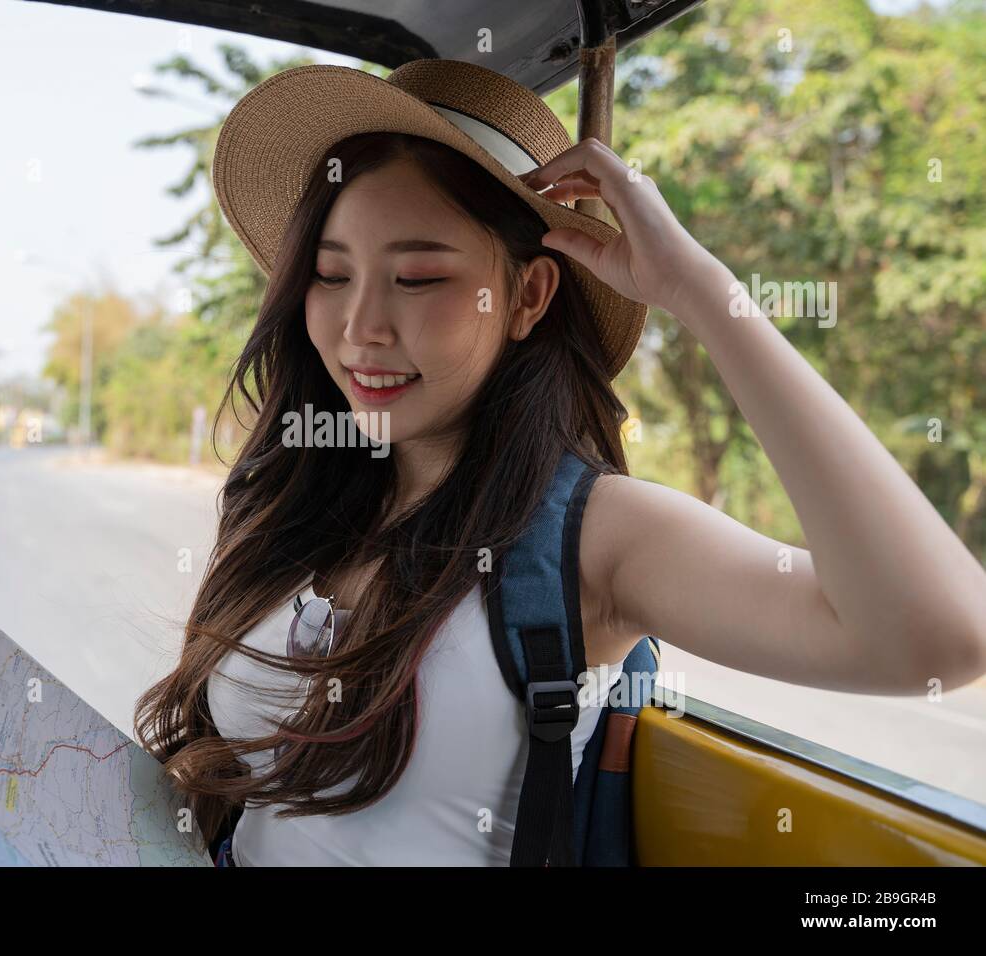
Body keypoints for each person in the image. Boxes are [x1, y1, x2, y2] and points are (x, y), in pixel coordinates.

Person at [134, 59, 986, 867]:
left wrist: (700, 292)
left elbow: (939, 638)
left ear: (528, 296)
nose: (362, 327)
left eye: (420, 278)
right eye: (330, 274)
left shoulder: (594, 533)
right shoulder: (300, 501)